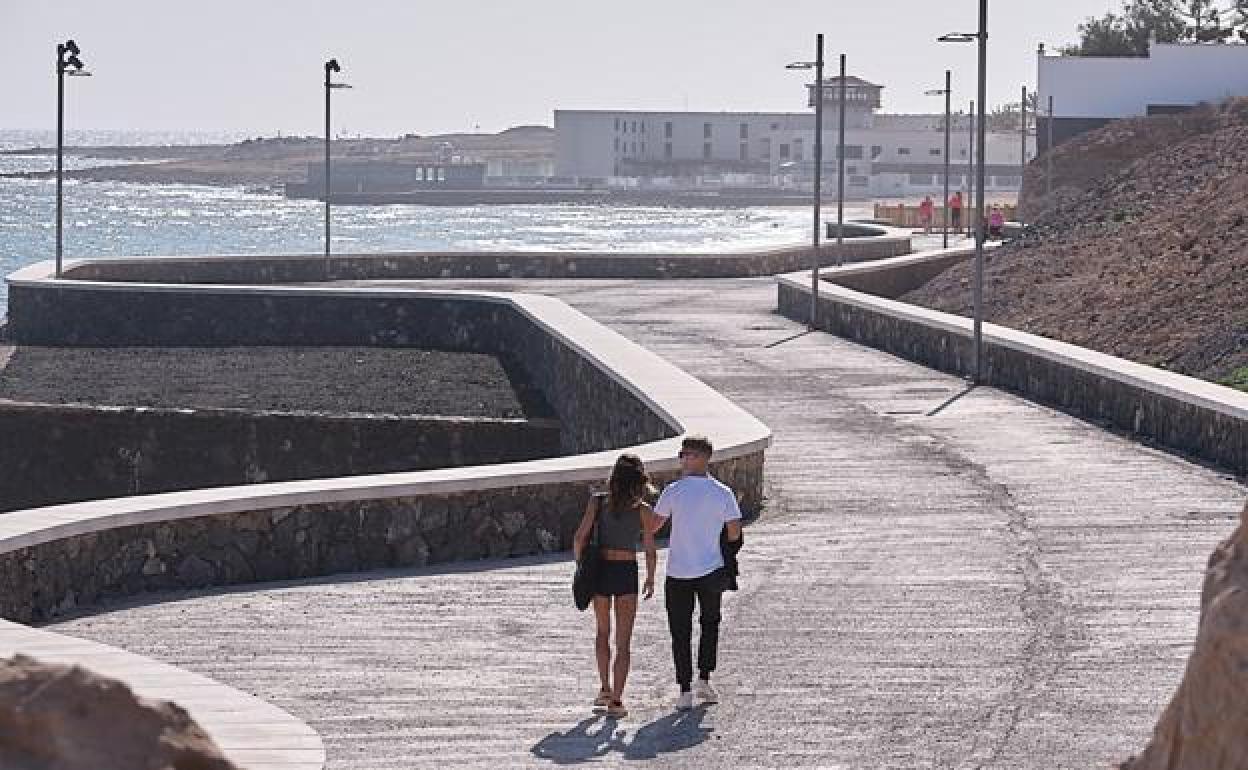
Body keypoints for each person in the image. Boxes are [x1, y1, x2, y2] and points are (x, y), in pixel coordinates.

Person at [651, 435, 744, 711]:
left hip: (678, 571)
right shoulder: (723, 493)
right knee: (710, 624)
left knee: (680, 631)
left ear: (702, 458)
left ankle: (685, 690)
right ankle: (704, 678)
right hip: (711, 569)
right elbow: (734, 531)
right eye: (682, 454)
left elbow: (654, 526)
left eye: (687, 454)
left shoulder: (673, 491)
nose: (683, 459)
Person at [573, 454, 658, 719]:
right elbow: (650, 550)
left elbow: (579, 538)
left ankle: (604, 688)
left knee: (602, 633)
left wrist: (582, 566)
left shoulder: (598, 502)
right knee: (623, 642)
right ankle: (617, 701)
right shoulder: (642, 509)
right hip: (626, 572)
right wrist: (651, 577)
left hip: (601, 570)